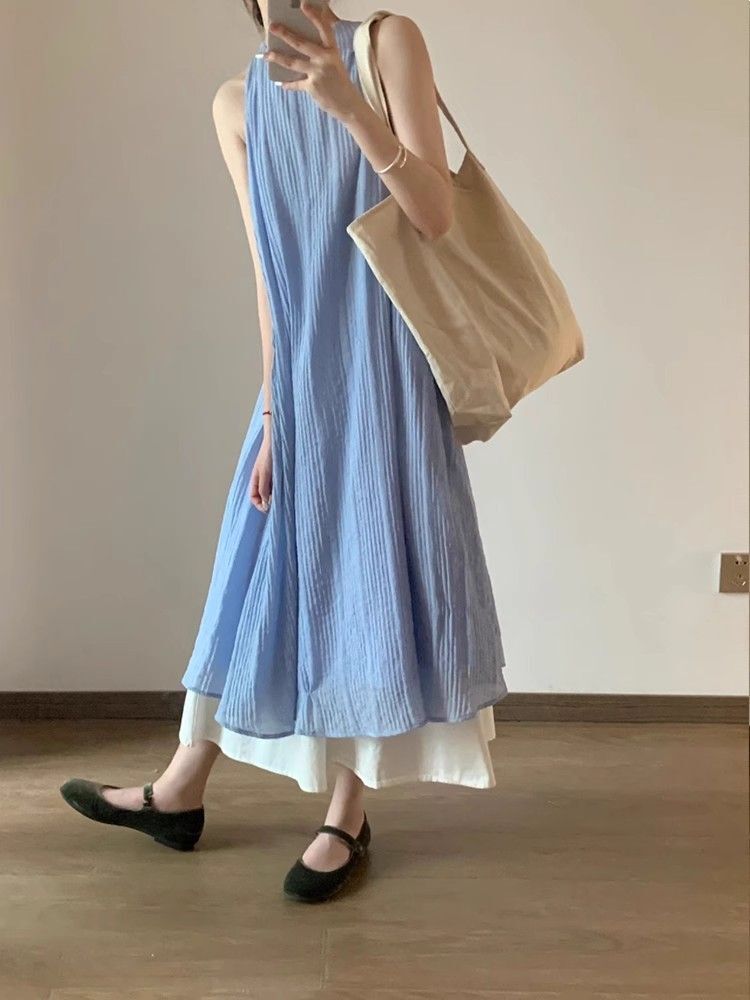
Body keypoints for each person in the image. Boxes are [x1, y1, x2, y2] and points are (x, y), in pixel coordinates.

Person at [60, 0, 507, 903]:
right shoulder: (236, 104)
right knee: (255, 561)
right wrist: (271, 414)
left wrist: (350, 105)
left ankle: (347, 811)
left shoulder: (386, 43)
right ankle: (181, 788)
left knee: (367, 579)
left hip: (386, 369)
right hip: (300, 378)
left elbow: (435, 217)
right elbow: (271, 271)